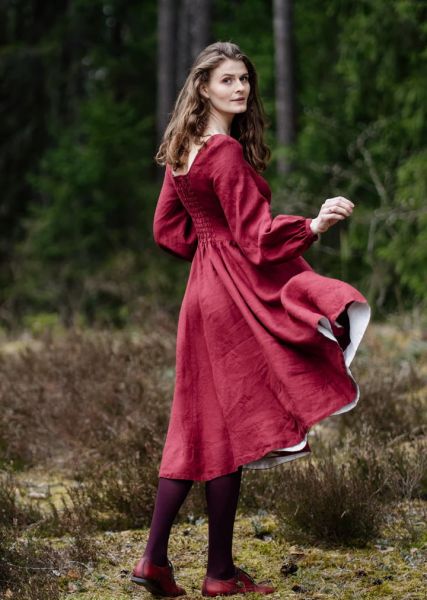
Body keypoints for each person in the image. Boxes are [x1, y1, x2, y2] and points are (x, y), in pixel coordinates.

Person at [131, 41, 371, 597]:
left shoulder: (182, 148)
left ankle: (181, 566)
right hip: (230, 297)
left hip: (200, 297)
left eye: (244, 80)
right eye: (227, 80)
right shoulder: (223, 155)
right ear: (203, 87)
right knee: (231, 420)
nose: (239, 89)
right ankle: (202, 569)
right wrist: (313, 226)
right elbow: (258, 237)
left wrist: (211, 250)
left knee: (202, 424)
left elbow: (166, 231)